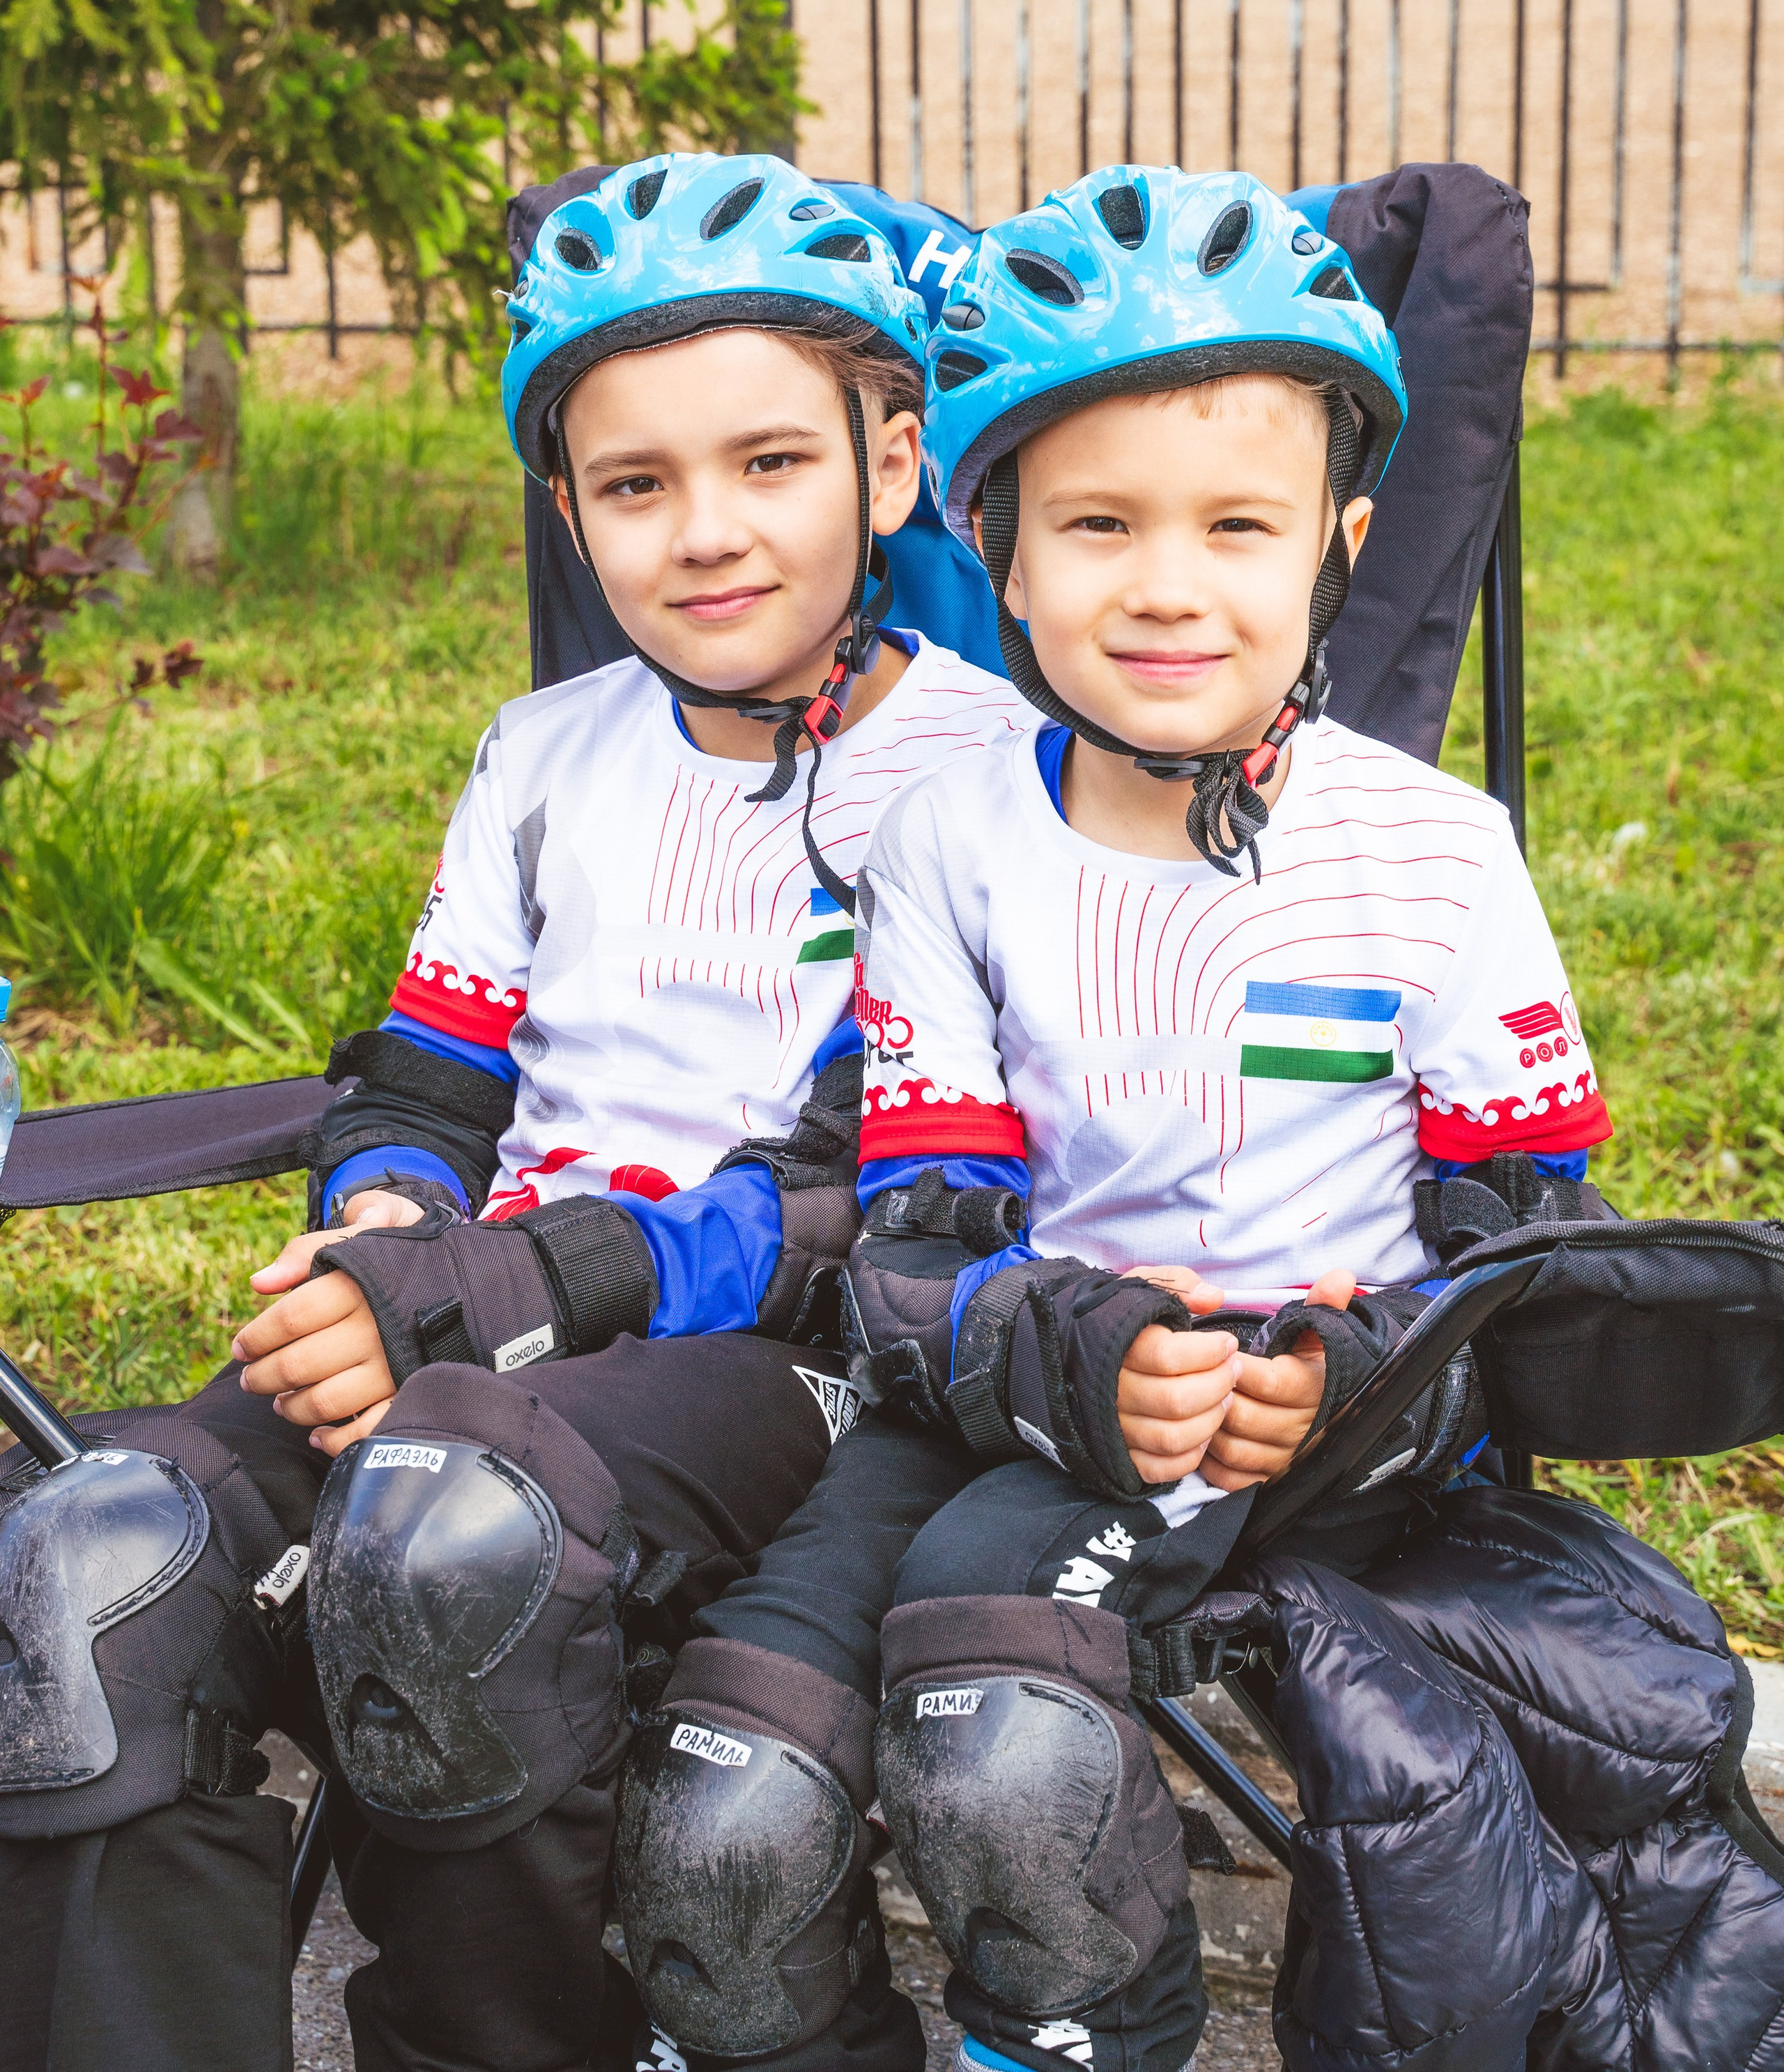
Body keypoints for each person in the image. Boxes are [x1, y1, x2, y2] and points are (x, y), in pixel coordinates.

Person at [0, 152, 1032, 2072]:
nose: (705, 533)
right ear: (569, 509)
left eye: (770, 465)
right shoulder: (546, 754)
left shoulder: (1002, 779)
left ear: (893, 467)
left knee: (452, 1529)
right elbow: (421, 1077)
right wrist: (395, 1219)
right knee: (90, 1570)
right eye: (636, 484)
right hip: (476, 1330)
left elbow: (871, 1196)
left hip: (786, 1363)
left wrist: (495, 1295)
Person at [610, 163, 1618, 2072]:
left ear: (1342, 535)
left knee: (1003, 1733)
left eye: (1237, 523)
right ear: (998, 552)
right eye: (1097, 524)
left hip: (1328, 1409)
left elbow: (1536, 1259)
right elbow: (918, 1241)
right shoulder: (951, 842)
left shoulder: (1432, 856)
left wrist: (1362, 1371)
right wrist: (1057, 1344)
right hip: (1022, 1384)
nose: (1166, 583)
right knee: (723, 1796)